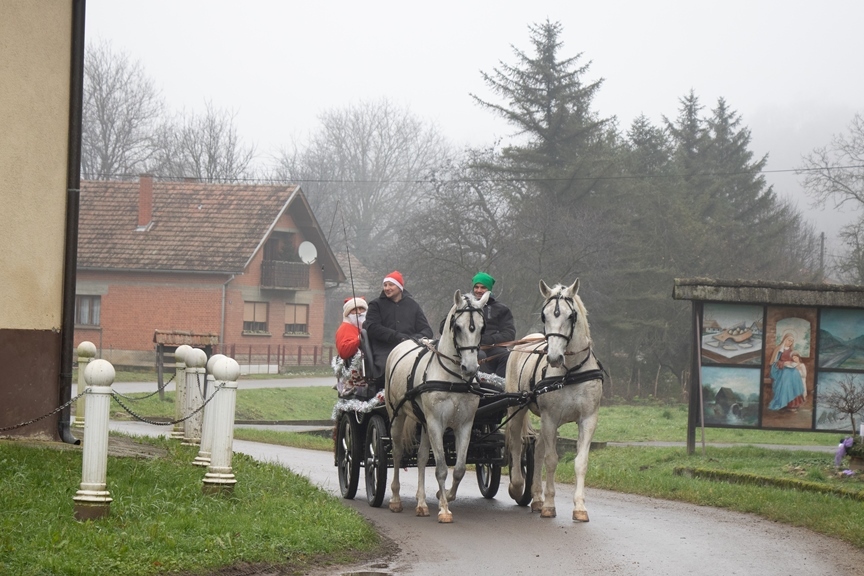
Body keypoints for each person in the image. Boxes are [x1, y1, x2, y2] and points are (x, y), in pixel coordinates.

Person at [363, 271, 433, 384]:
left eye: (391, 285)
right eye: (385, 285)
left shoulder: (413, 305)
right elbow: (372, 327)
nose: (387, 288)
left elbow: (427, 330)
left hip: (412, 347)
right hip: (385, 350)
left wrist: (413, 339)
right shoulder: (375, 305)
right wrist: (397, 337)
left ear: (400, 287)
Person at [469, 272, 515, 379]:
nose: (479, 290)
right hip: (468, 348)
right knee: (480, 355)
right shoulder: (464, 305)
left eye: (483, 287)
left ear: (489, 289)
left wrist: (489, 339)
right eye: (476, 287)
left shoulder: (501, 309)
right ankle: (480, 384)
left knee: (507, 356)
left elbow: (509, 334)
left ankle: (500, 387)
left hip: (492, 348)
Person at [333, 296, 367, 397]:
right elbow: (343, 351)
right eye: (354, 310)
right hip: (356, 374)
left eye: (362, 309)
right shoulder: (344, 328)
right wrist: (359, 339)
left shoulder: (367, 326)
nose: (359, 312)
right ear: (348, 313)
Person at [767, 332, 807, 412]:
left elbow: (795, 360)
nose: (790, 342)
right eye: (788, 340)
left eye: (791, 341)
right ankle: (784, 403)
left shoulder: (792, 350)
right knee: (787, 376)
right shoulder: (778, 349)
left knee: (796, 374)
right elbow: (773, 363)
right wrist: (783, 363)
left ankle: (794, 404)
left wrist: (793, 363)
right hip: (781, 369)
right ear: (784, 339)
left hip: (791, 368)